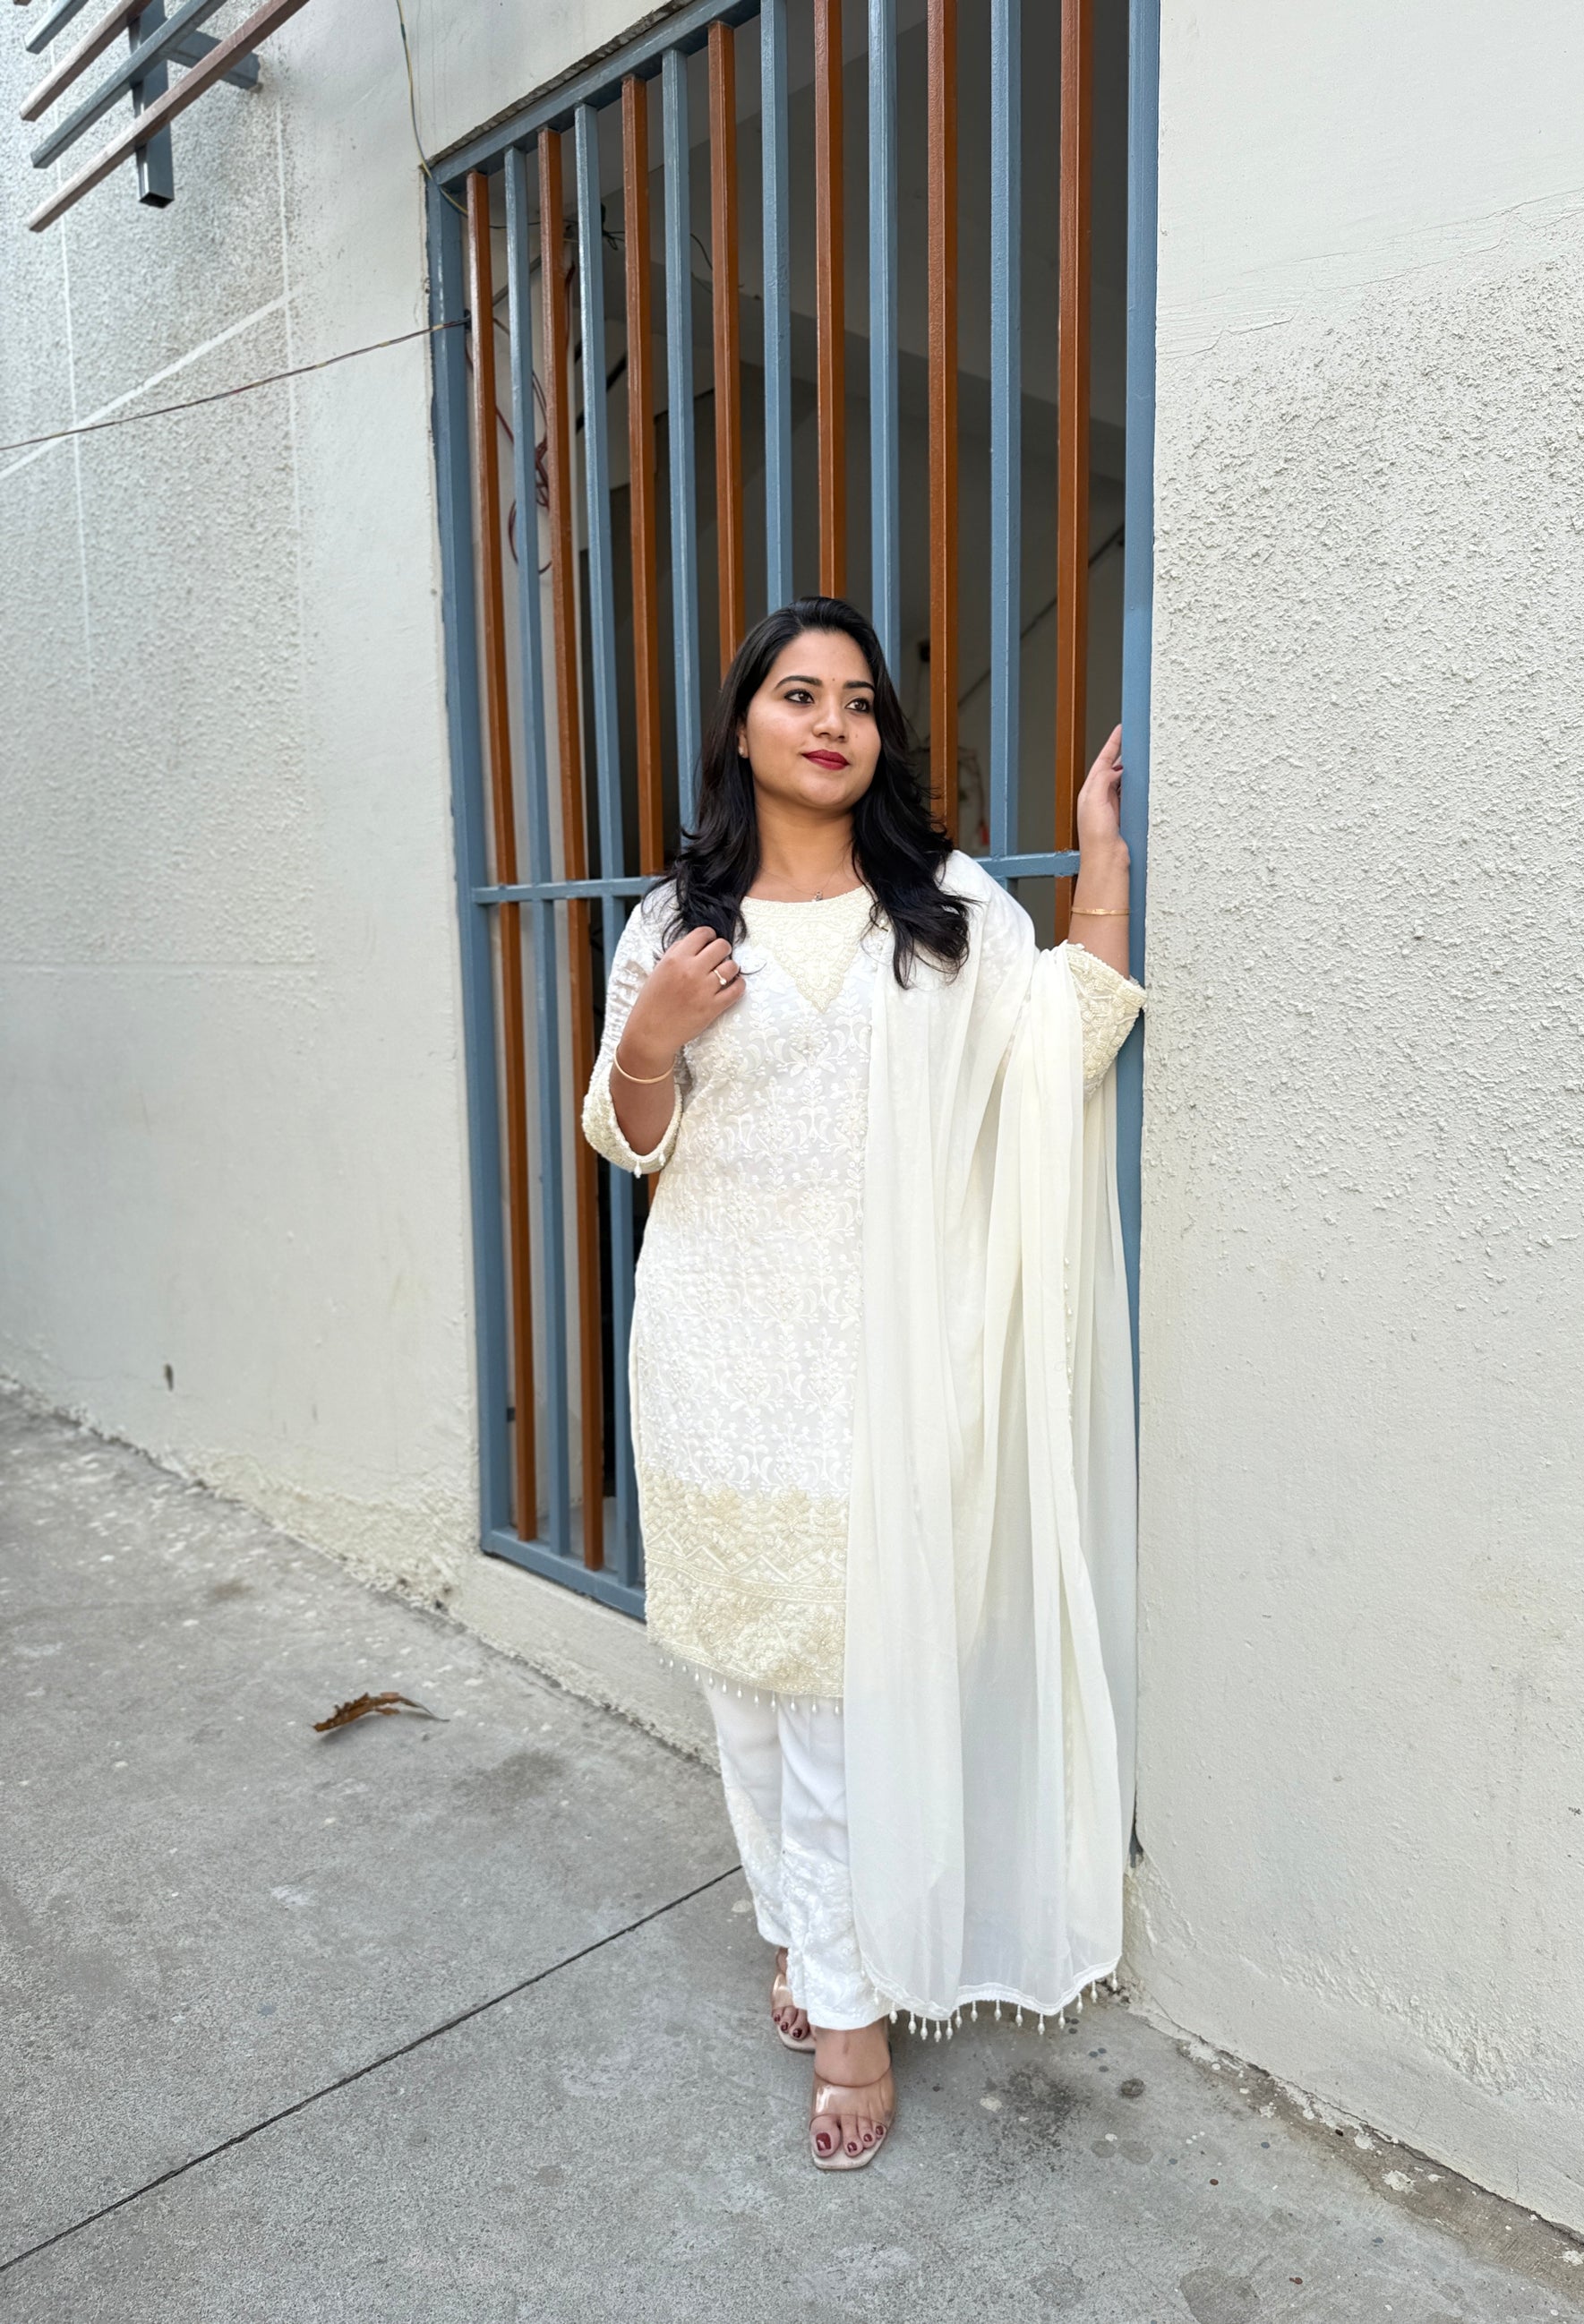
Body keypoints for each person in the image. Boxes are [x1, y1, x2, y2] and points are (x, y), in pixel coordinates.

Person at [582, 596, 1142, 2172]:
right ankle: (804, 1929)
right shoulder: (674, 923)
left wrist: (1098, 856)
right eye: (797, 692)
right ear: (743, 724)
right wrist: (653, 1033)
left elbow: (1061, 1055)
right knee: (746, 1689)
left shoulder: (945, 910)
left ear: (880, 738)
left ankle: (846, 2014)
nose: (832, 720)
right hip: (715, 1350)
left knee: (838, 1690)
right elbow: (627, 1136)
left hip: (889, 1366)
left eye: (859, 700)